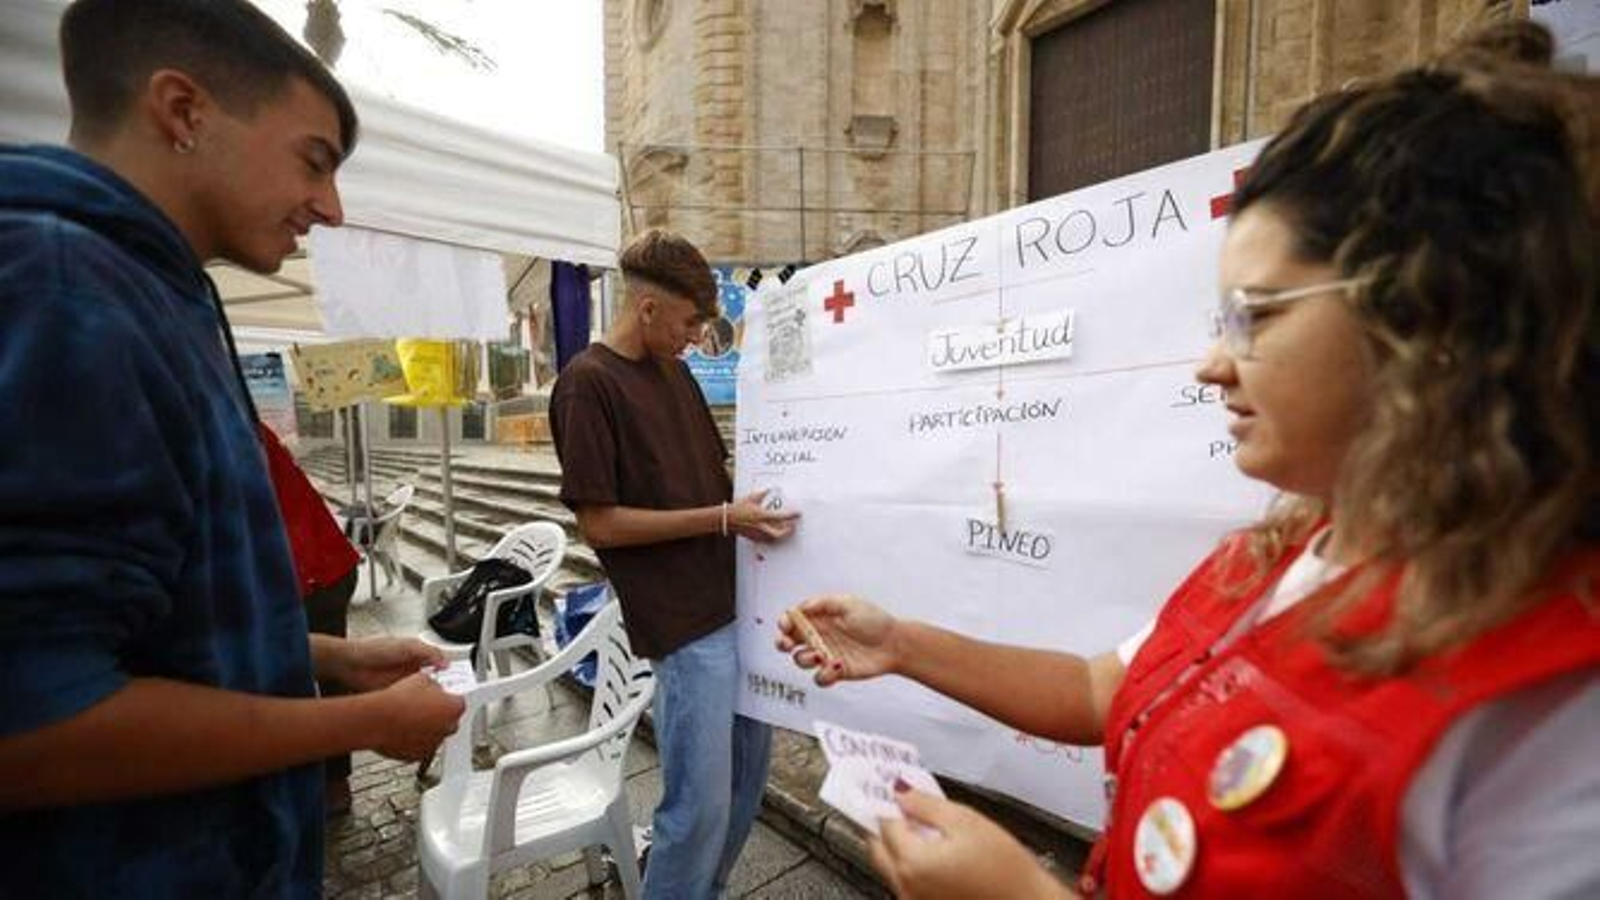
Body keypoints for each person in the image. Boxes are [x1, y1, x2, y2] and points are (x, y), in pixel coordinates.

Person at [778, 23, 1599, 899]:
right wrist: (901, 644)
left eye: (1254, 315)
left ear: (1434, 316)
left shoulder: (1553, 716)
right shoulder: (1283, 552)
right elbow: (1101, 691)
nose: (1212, 364)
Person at [0, 1, 465, 895]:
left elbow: (153, 630)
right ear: (183, 110)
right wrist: (354, 725)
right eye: (315, 160)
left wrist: (327, 661)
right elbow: (31, 721)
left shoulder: (147, 293)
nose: (329, 208)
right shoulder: (60, 292)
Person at [550, 228, 800, 899]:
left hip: (736, 602)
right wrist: (723, 519)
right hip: (684, 625)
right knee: (697, 807)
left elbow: (711, 479)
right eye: (690, 321)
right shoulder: (587, 385)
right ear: (648, 307)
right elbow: (599, 523)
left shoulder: (677, 373)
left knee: (746, 784)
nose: (695, 338)